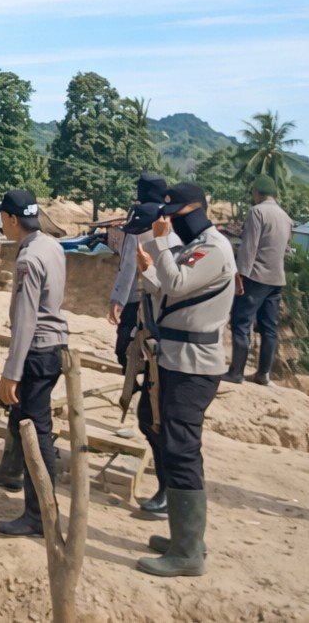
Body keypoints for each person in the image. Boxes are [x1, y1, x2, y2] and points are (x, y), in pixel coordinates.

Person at [135, 182, 235, 577]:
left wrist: (160, 247)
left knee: (181, 449)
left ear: (195, 210)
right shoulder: (197, 247)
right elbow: (171, 293)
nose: (169, 222)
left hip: (195, 364)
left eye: (174, 215)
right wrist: (149, 269)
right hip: (176, 358)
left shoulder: (214, 249)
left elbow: (177, 283)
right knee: (159, 429)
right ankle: (185, 536)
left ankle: (188, 551)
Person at [0, 189, 69, 537]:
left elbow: (27, 320)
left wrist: (10, 373)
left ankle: (39, 513)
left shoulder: (28, 260)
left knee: (36, 430)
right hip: (54, 347)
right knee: (21, 416)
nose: (2, 224)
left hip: (36, 352)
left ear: (12, 220)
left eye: (3, 219)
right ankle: (9, 471)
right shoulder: (53, 246)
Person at [119, 201, 183, 520]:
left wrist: (150, 270)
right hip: (153, 346)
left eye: (141, 230)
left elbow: (172, 295)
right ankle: (165, 489)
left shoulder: (172, 249)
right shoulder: (156, 247)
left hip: (171, 353)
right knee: (149, 418)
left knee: (158, 421)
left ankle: (169, 493)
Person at [226, 175, 293, 385]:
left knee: (241, 322)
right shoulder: (285, 217)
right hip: (276, 279)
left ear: (257, 192)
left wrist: (240, 277)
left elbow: (249, 248)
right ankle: (263, 374)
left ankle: (236, 373)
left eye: (253, 192)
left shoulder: (257, 212)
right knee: (269, 328)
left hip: (255, 277)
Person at [108, 173, 167, 370]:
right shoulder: (170, 216)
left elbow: (129, 262)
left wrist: (118, 298)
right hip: (165, 291)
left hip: (138, 291)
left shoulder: (140, 214)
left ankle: (132, 376)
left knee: (125, 345)